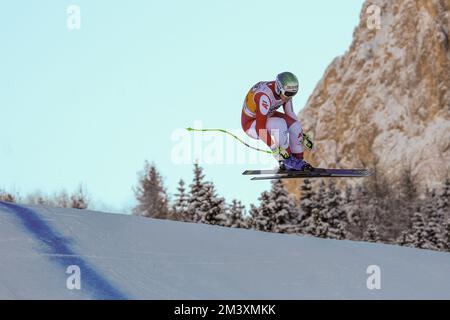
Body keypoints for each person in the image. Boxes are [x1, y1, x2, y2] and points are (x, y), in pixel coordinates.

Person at [241, 72, 312, 171]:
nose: (290, 97)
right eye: (288, 94)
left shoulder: (285, 92)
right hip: (251, 124)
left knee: (295, 126)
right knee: (280, 124)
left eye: (294, 93)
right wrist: (274, 148)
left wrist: (301, 135)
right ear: (279, 88)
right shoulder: (264, 97)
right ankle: (285, 161)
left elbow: (290, 114)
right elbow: (260, 128)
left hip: (267, 114)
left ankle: (298, 161)